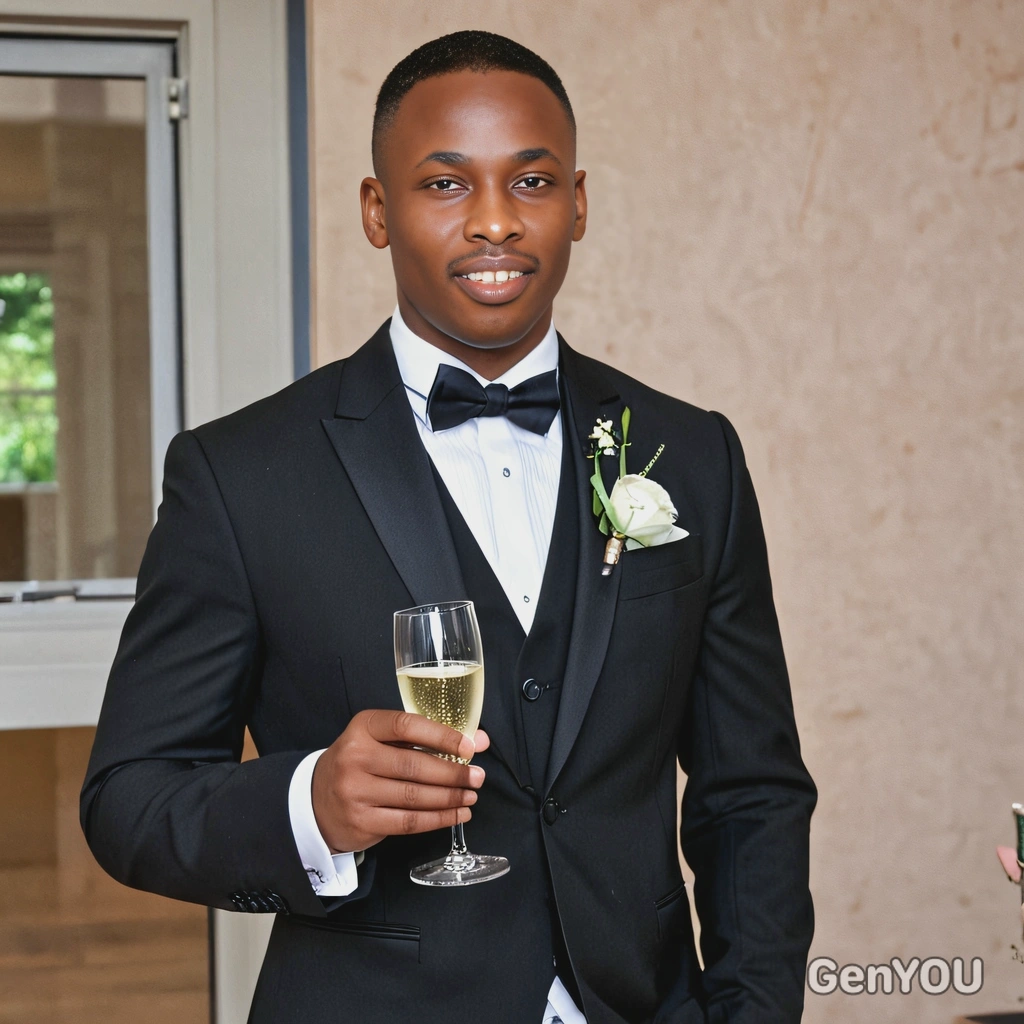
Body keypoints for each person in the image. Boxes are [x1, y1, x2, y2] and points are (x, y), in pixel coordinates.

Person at [81, 29, 816, 1024]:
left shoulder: (691, 455)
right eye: (443, 185)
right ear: (377, 212)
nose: (495, 223)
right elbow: (130, 798)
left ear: (579, 203)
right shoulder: (239, 475)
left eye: (531, 182)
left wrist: (750, 1011)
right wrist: (309, 804)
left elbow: (753, 790)